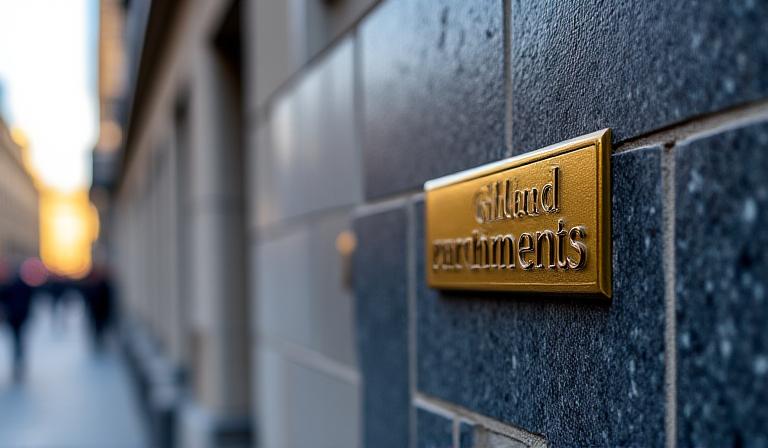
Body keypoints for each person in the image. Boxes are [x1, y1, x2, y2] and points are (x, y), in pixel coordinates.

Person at [0, 265, 34, 382]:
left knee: (16, 339)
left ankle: (18, 360)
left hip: (14, 317)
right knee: (18, 340)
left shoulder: (10, 285)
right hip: (19, 317)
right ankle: (18, 360)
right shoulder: (24, 285)